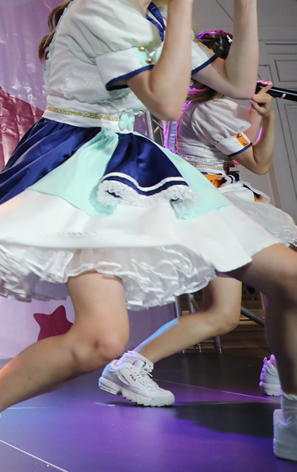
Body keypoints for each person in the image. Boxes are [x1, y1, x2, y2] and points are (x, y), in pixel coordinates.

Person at [0, 0, 297, 470]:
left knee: (290, 278)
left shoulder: (151, 15)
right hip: (81, 164)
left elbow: (236, 84)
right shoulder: (98, 6)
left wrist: (245, 0)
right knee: (99, 342)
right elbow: (167, 103)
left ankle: (292, 415)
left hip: (135, 159)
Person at [99, 30, 294, 406]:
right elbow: (259, 162)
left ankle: (282, 365)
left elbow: (244, 151)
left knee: (243, 304)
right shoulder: (210, 110)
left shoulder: (199, 104)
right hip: (218, 207)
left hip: (216, 202)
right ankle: (130, 365)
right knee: (238, 305)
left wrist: (254, 113)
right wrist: (267, 118)